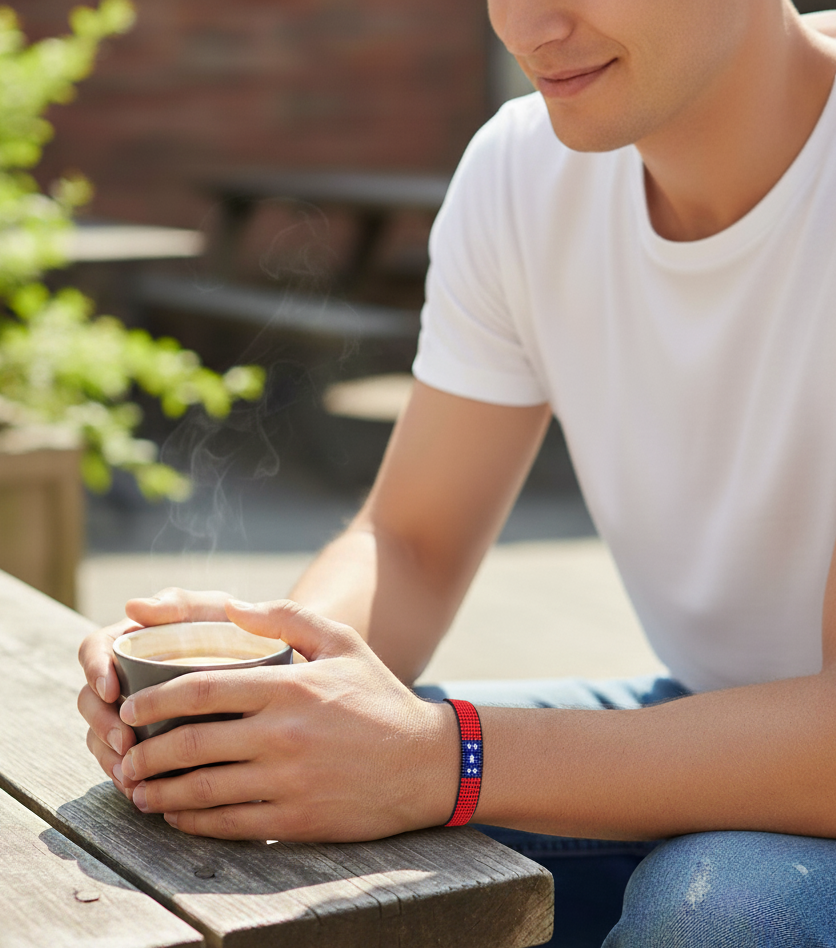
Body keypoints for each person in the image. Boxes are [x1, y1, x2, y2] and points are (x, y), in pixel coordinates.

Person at [78, 2, 836, 944]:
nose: (524, 24)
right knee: (270, 798)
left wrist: (451, 758)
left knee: (728, 914)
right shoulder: (525, 170)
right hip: (704, 715)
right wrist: (259, 687)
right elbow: (412, 539)